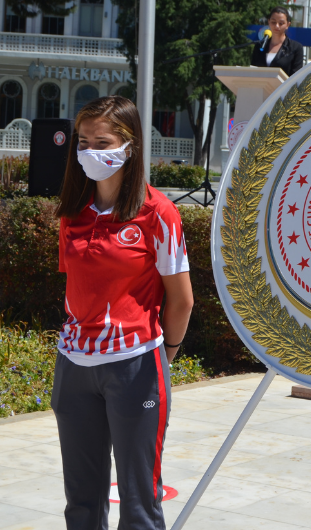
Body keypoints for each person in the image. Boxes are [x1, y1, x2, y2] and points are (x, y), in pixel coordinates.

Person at [52, 96, 193, 530]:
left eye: (102, 141)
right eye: (83, 141)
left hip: (136, 367)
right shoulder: (72, 213)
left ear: (129, 146)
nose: (90, 151)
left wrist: (164, 355)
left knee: (139, 503)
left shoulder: (158, 213)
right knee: (81, 503)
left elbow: (182, 300)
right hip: (74, 368)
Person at [251, 6, 305, 76]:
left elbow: (296, 77)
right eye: (273, 22)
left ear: (287, 25)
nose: (276, 26)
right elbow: (253, 71)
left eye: (281, 23)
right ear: (269, 22)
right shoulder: (260, 46)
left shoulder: (296, 48)